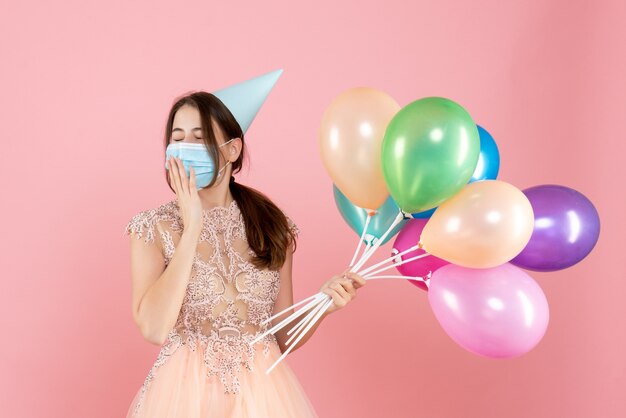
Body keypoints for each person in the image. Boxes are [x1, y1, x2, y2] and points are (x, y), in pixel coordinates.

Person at [124, 91, 366, 417]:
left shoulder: (270, 225)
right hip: (185, 397)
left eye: (200, 138)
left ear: (232, 149)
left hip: (262, 398)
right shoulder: (153, 228)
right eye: (177, 138)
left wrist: (322, 305)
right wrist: (192, 224)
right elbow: (153, 329)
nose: (185, 149)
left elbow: (280, 337)